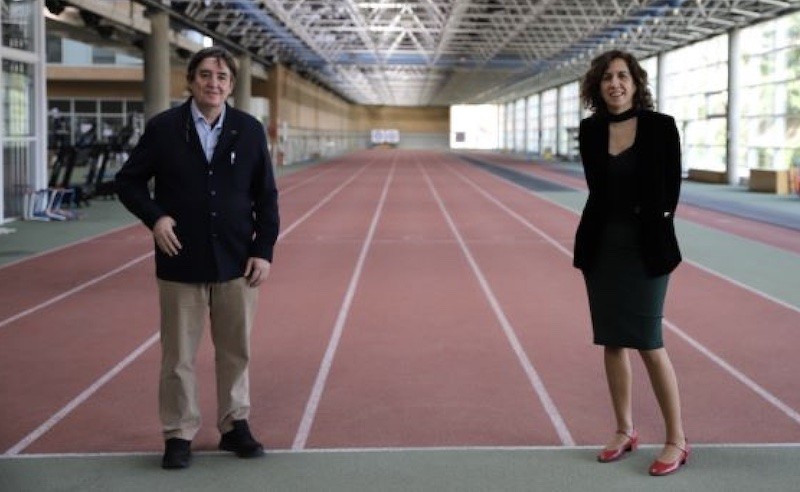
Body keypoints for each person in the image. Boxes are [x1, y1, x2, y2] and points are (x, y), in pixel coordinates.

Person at [115, 46, 280, 470]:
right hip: (180, 260)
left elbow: (267, 196)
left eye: (222, 77)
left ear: (231, 84)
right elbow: (128, 182)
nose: (214, 83)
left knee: (234, 351)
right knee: (178, 356)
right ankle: (178, 433)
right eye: (205, 75)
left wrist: (263, 252)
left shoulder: (248, 129)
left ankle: (234, 425)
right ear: (190, 80)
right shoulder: (164, 128)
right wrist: (155, 218)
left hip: (237, 262)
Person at [573, 50, 689, 477]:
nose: (614, 83)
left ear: (636, 83)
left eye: (622, 76)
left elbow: (670, 191)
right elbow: (598, 190)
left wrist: (647, 225)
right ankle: (624, 430)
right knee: (612, 340)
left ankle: (677, 437)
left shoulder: (661, 127)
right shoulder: (589, 130)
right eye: (606, 77)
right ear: (596, 86)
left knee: (648, 341)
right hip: (601, 247)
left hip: (647, 248)